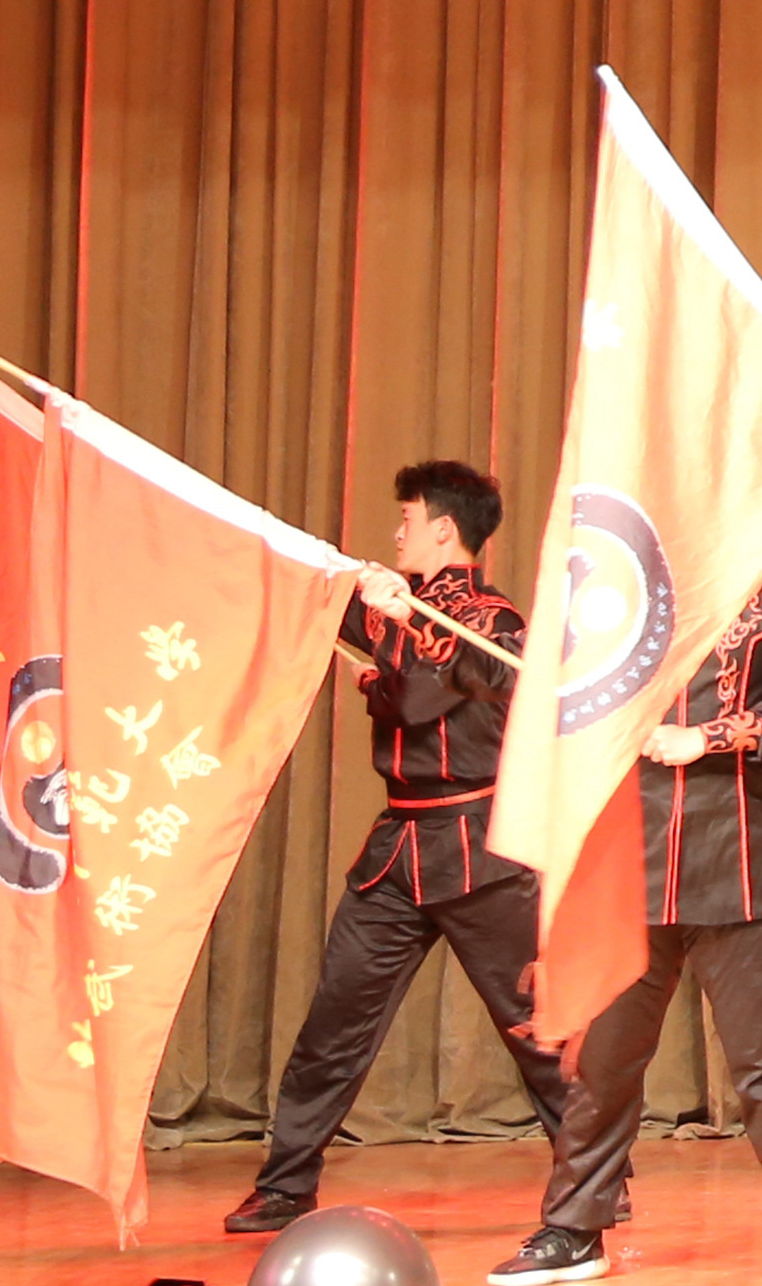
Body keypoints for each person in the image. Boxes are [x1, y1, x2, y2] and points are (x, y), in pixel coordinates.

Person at [228, 460, 577, 1236]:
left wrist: (394, 637)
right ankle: (285, 1184)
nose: (397, 534)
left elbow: (420, 695)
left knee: (536, 1025)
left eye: (409, 520)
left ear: (444, 530)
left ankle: (595, 1178)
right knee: (334, 1024)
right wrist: (317, 573)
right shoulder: (401, 605)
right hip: (398, 850)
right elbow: (329, 611)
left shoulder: (493, 619)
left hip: (479, 848)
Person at [498, 561, 762, 1286]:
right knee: (604, 1062)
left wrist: (709, 737)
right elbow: (533, 680)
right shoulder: (612, 577)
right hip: (624, 863)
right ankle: (574, 1227)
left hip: (733, 861)